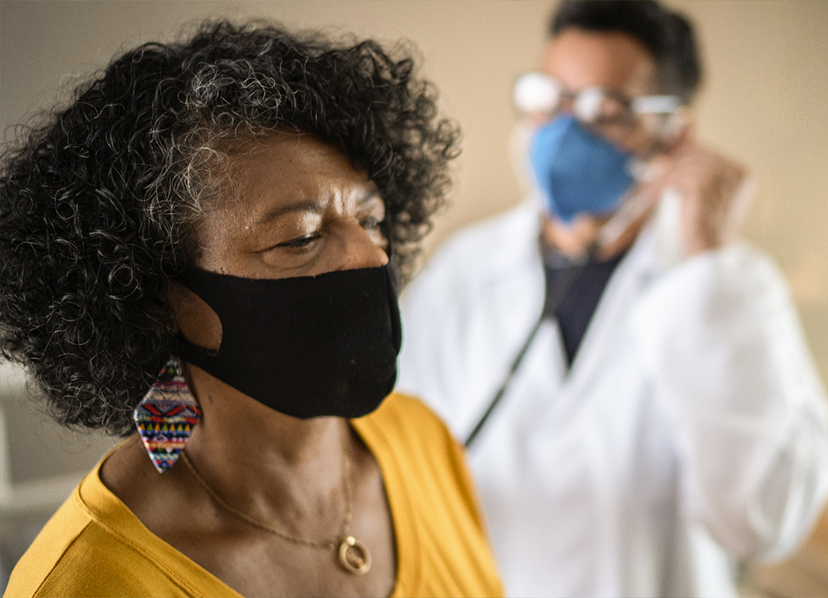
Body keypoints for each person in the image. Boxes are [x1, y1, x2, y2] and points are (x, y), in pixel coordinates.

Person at [0, 20, 503, 597]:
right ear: (157, 297)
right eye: (300, 237)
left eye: (370, 220)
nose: (372, 256)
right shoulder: (89, 582)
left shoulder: (423, 440)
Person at [396, 1, 828, 596]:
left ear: (674, 133)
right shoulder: (465, 271)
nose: (562, 131)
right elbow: (394, 464)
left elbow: (762, 524)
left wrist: (706, 270)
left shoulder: (732, 288)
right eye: (548, 99)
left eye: (604, 111)